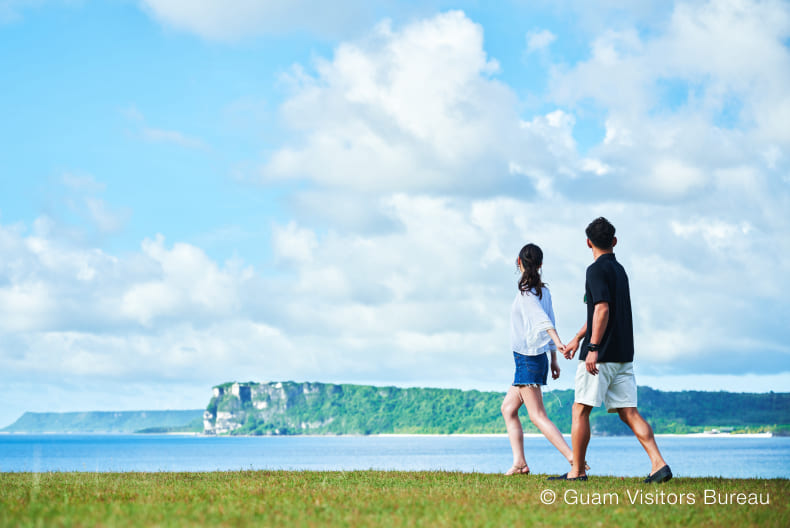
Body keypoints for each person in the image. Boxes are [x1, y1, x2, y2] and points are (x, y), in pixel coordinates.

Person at [551, 217, 671, 483]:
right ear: (614, 242)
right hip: (622, 354)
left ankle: (577, 471)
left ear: (588, 243)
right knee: (629, 411)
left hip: (601, 356)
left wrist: (591, 347)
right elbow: (597, 312)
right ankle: (658, 464)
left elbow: (602, 309)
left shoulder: (594, 271)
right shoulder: (620, 270)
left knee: (580, 410)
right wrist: (577, 339)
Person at [501, 243, 579, 476]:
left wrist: (557, 345)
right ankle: (520, 463)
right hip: (531, 359)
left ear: (519, 261)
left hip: (528, 359)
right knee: (508, 408)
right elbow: (549, 321)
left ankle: (574, 458)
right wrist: (553, 359)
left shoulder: (527, 292)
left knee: (537, 415)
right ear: (541, 264)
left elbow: (543, 321)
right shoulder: (542, 291)